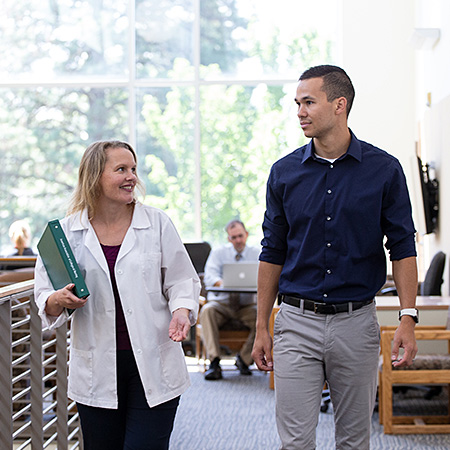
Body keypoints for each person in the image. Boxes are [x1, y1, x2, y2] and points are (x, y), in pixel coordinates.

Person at [252, 65, 418, 450]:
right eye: (297, 103)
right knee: (294, 442)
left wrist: (407, 317)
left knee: (354, 441)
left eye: (309, 102)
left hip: (356, 323)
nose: (300, 112)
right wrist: (263, 325)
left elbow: (403, 246)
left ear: (339, 104)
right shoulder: (284, 173)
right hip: (295, 322)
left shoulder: (384, 170)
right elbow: (272, 251)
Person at [34, 140, 200, 450]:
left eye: (134, 169)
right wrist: (59, 300)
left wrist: (181, 311)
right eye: (121, 169)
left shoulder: (157, 223)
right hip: (97, 367)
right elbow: (44, 294)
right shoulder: (66, 233)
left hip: (153, 363)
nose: (132, 177)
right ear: (95, 176)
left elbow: (181, 280)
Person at [200, 219, 260, 380]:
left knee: (263, 317)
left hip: (246, 306)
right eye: (234, 237)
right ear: (228, 238)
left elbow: (264, 277)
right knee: (207, 311)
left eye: (240, 236)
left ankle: (244, 359)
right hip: (223, 304)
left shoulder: (257, 253)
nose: (238, 240)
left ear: (246, 235)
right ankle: (214, 362)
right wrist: (224, 283)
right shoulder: (219, 253)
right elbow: (210, 276)